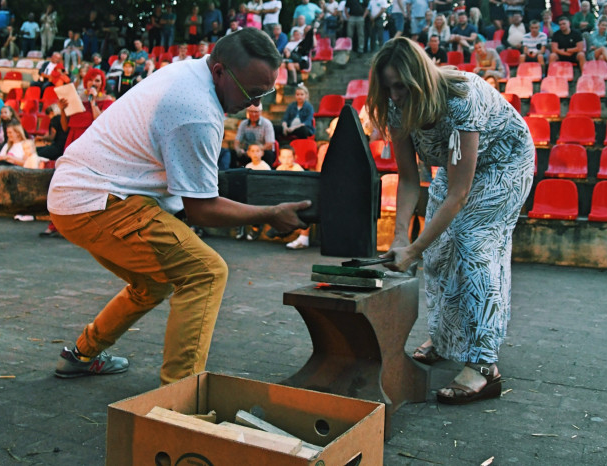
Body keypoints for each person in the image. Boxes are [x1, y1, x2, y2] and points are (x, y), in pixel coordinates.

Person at [46, 28, 309, 383]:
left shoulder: (190, 72)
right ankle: (179, 401)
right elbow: (203, 210)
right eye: (251, 92)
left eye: (266, 93)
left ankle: (81, 355)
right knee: (206, 272)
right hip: (98, 199)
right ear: (219, 71)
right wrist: (270, 214)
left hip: (76, 195)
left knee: (153, 283)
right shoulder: (196, 110)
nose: (255, 105)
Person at [369, 37, 534, 405]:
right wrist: (401, 240)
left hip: (504, 162)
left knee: (473, 244)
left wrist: (413, 249)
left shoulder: (461, 98)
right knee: (439, 251)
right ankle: (446, 340)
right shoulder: (397, 108)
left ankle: (483, 365)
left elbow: (459, 194)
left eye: (400, 86)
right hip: (454, 163)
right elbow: (410, 179)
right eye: (387, 87)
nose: (393, 95)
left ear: (419, 79)